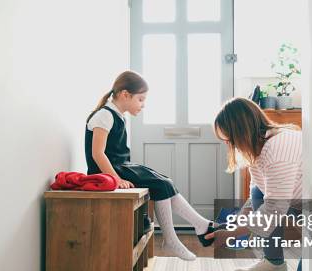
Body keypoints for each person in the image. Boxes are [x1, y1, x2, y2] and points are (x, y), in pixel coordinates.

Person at [85, 70, 217, 261]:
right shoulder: (104, 115)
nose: (143, 105)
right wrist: (117, 179)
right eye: (140, 99)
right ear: (125, 95)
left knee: (165, 181)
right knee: (161, 184)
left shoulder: (117, 114)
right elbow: (97, 153)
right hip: (108, 171)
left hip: (120, 166)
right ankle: (173, 238)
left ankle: (200, 224)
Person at [207, 97, 302, 271]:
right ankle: (273, 264)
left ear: (242, 132)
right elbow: (255, 198)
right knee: (259, 191)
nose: (229, 145)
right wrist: (234, 224)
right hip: (298, 203)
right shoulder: (258, 151)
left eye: (229, 139)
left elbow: (274, 209)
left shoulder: (278, 148)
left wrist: (232, 234)